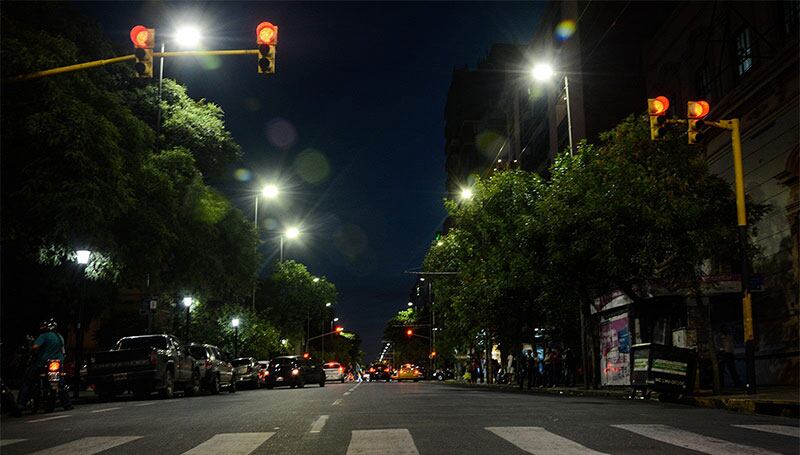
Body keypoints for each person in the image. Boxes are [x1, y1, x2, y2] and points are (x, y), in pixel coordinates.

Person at [14, 319, 72, 416]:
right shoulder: (60, 336)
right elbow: (63, 351)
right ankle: (67, 403)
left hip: (43, 363)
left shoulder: (44, 336)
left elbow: (35, 347)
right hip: (57, 363)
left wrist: (31, 352)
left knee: (28, 381)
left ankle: (21, 404)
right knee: (60, 382)